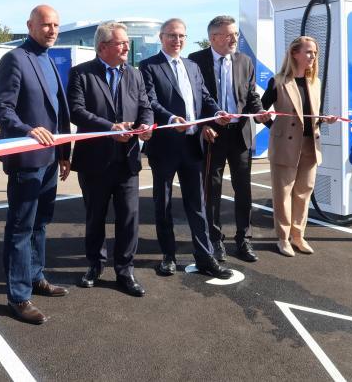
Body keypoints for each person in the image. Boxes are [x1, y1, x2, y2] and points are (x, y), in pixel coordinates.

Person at [0, 5, 71, 324]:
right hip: (27, 160)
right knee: (21, 227)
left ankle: (36, 278)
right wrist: (27, 130)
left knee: (41, 223)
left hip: (51, 159)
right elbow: (3, 109)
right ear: (30, 25)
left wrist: (65, 152)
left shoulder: (49, 60)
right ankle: (18, 296)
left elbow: (58, 112)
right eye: (45, 25)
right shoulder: (15, 59)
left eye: (55, 25)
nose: (51, 30)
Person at [139, 18, 233, 279]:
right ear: (161, 37)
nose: (177, 40)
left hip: (193, 146)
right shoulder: (149, 66)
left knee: (197, 205)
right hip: (166, 147)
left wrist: (216, 113)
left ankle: (205, 257)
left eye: (181, 36)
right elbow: (150, 101)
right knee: (164, 203)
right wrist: (170, 119)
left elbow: (204, 98)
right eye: (172, 35)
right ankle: (168, 256)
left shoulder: (192, 66)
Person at [67, 22, 153, 297]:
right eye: (121, 43)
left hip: (127, 160)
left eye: (127, 42)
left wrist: (147, 126)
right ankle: (95, 265)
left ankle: (125, 270)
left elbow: (145, 106)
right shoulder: (81, 73)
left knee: (129, 218)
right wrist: (109, 128)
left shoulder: (135, 75)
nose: (128, 47)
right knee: (95, 217)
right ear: (103, 47)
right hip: (95, 160)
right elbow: (76, 112)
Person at [188, 16, 269, 263]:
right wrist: (204, 125)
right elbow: (193, 99)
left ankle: (243, 240)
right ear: (213, 38)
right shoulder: (195, 61)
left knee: (243, 190)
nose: (234, 39)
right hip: (212, 134)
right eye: (228, 35)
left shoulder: (245, 61)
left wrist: (262, 114)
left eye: (235, 34)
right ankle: (215, 240)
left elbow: (251, 97)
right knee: (211, 191)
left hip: (240, 134)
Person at [260, 36, 337, 256]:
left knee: (303, 193)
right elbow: (259, 112)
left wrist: (324, 119)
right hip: (286, 145)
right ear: (295, 53)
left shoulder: (315, 82)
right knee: (283, 194)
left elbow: (312, 116)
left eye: (314, 53)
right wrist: (274, 127)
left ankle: (298, 236)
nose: (313, 56)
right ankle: (283, 238)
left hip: (310, 145)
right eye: (309, 52)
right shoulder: (278, 81)